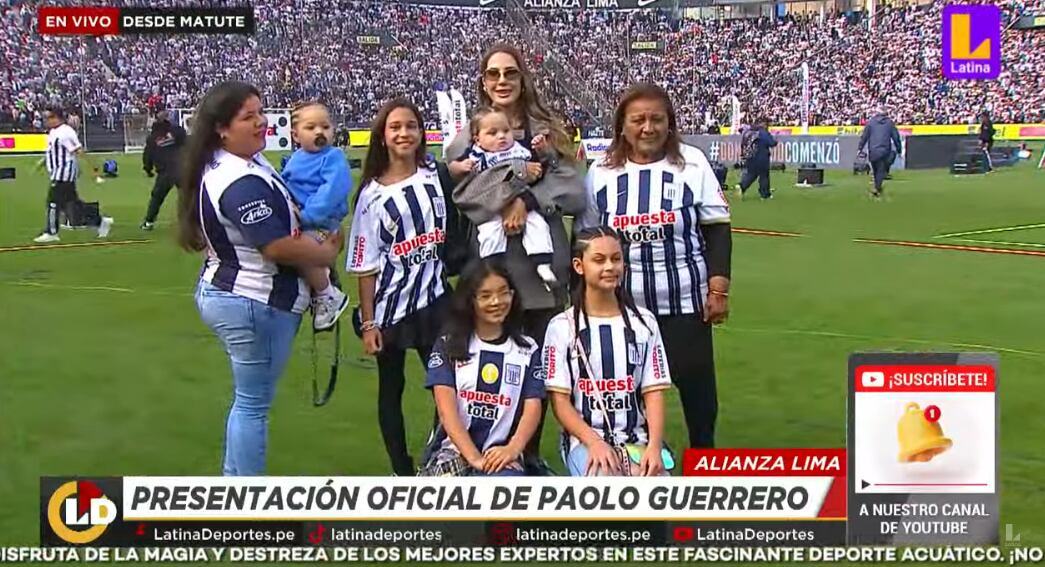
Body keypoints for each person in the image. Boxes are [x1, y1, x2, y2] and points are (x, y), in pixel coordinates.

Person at [177, 81, 343, 475]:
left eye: (261, 112)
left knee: (247, 401)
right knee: (252, 405)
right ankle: (246, 499)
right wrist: (326, 253)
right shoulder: (239, 179)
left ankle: (234, 487)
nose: (261, 122)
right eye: (248, 116)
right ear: (221, 127)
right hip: (254, 299)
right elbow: (276, 246)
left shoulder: (234, 161)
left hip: (231, 291)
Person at [444, 43, 586, 474]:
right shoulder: (468, 137)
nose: (501, 81)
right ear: (483, 81)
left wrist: (524, 198)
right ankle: (469, 458)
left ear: (523, 78)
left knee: (535, 380)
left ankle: (528, 456)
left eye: (510, 73)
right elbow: (465, 196)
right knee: (476, 375)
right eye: (493, 74)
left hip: (541, 281)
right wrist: (511, 197)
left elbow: (575, 192)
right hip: (488, 279)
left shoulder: (547, 131)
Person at [578, 83, 732, 449]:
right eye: (638, 120)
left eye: (656, 119)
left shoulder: (692, 163)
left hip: (685, 305)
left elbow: (717, 229)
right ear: (622, 126)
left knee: (697, 392)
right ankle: (640, 467)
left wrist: (718, 289)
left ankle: (703, 464)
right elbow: (587, 238)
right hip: (624, 307)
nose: (648, 128)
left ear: (670, 124)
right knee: (628, 392)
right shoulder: (601, 171)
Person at [347, 98, 456, 476]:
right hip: (390, 310)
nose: (404, 133)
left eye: (411, 125)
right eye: (395, 127)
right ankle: (401, 471)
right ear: (383, 136)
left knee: (450, 387)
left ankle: (443, 458)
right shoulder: (371, 196)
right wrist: (369, 322)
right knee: (390, 390)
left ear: (421, 132)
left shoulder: (434, 175)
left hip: (437, 302)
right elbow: (365, 264)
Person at [543, 226, 672, 476]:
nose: (610, 267)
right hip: (586, 442)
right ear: (579, 266)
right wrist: (594, 443)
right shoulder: (562, 327)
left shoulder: (644, 323)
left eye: (616, 259)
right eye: (599, 260)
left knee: (657, 499)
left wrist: (655, 446)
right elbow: (559, 402)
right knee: (608, 495)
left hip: (637, 442)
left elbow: (653, 391)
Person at [420, 260, 544, 477]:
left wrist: (513, 449)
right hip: (453, 456)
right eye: (485, 296)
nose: (496, 301)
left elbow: (533, 408)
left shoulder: (528, 349)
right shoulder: (448, 346)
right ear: (470, 301)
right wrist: (475, 459)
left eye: (503, 293)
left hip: (503, 458)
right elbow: (446, 411)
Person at [458, 107, 557, 287]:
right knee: (489, 232)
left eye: (506, 131)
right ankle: (492, 268)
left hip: (523, 200)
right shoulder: (477, 155)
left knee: (539, 226)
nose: (501, 136)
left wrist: (542, 151)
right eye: (493, 133)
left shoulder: (519, 149)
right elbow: (468, 183)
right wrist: (459, 166)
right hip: (493, 204)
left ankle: (543, 265)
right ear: (477, 140)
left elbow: (540, 168)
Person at [281, 101, 352, 331]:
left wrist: (307, 215)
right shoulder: (296, 158)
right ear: (295, 134)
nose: (320, 132)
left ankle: (328, 295)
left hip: (321, 221)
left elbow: (331, 190)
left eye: (325, 126)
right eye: (311, 128)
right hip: (301, 220)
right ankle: (320, 283)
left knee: (305, 254)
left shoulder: (333, 157)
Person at [33, 106, 113, 243]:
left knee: (52, 201)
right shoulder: (54, 132)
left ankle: (51, 232)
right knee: (72, 204)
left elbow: (78, 151)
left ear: (57, 118)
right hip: (58, 172)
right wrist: (43, 161)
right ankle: (100, 222)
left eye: (48, 117)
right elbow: (54, 151)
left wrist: (92, 168)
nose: (46, 121)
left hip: (63, 172)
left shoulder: (65, 132)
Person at [140, 110, 187, 230]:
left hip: (165, 172)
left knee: (157, 197)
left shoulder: (152, 138)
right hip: (181, 168)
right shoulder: (177, 131)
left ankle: (149, 222)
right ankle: (188, 222)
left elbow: (147, 156)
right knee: (187, 197)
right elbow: (186, 141)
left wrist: (148, 169)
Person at [858, 106, 903, 199]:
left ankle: (877, 188)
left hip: (873, 151)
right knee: (880, 170)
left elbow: (864, 136)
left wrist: (860, 148)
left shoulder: (870, 123)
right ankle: (877, 188)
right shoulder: (890, 123)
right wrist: (899, 150)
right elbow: (896, 138)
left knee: (876, 170)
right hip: (884, 151)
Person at [736, 116, 777, 200]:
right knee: (764, 176)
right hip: (761, 158)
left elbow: (743, 144)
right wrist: (775, 139)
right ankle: (765, 195)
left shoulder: (749, 132)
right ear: (763, 123)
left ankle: (741, 186)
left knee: (752, 175)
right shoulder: (763, 132)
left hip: (750, 157)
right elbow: (771, 143)